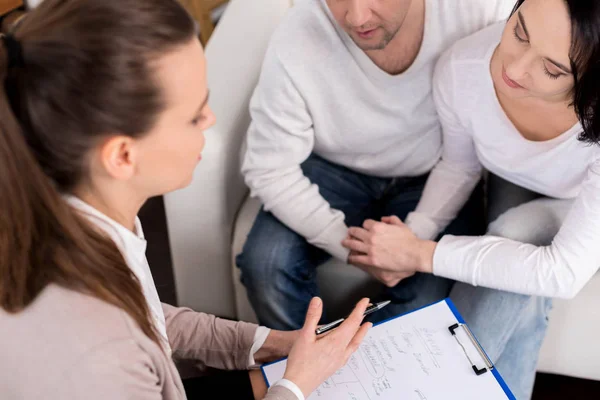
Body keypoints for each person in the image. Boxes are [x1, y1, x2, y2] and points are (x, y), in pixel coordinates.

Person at [0, 1, 372, 399]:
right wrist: (295, 385)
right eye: (194, 115)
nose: (212, 120)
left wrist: (268, 344)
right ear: (123, 156)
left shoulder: (82, 214)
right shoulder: (96, 356)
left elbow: (147, 318)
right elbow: (121, 338)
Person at [342, 0, 600, 398]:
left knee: (512, 235)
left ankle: (433, 388)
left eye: (552, 69)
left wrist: (422, 253)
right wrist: (410, 237)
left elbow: (563, 274)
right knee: (517, 284)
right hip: (516, 177)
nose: (512, 69)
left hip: (585, 196)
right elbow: (459, 166)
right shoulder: (463, 68)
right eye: (519, 31)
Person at [237, 0, 515, 331]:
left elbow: (465, 158)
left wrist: (411, 243)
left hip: (435, 172)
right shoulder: (298, 34)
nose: (356, 17)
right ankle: (306, 371)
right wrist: (356, 250)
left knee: (427, 304)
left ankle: (367, 377)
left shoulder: (478, 12)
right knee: (265, 265)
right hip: (331, 169)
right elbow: (268, 167)